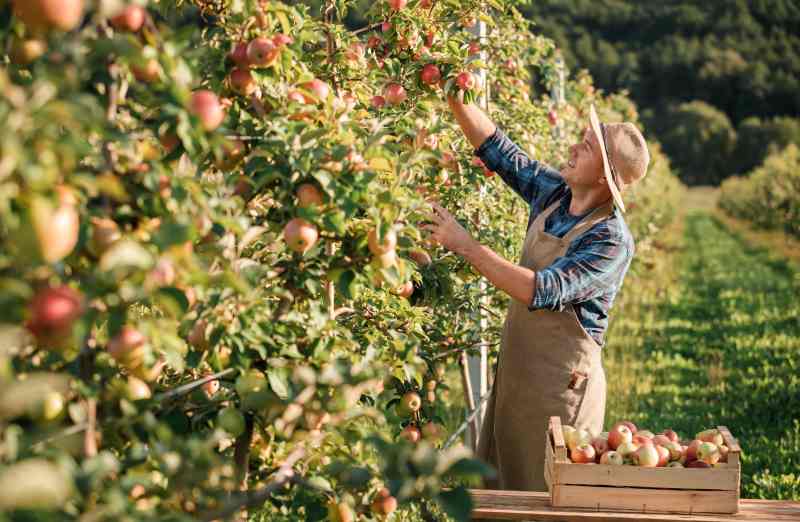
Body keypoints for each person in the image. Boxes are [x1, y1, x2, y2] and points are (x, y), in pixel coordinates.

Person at [422, 93, 650, 492]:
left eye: (589, 144)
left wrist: (466, 245)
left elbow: (544, 289)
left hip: (560, 394)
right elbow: (500, 151)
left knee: (548, 498)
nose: (575, 145)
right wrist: (453, 94)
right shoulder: (556, 194)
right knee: (500, 494)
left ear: (605, 176)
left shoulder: (610, 240)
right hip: (516, 379)